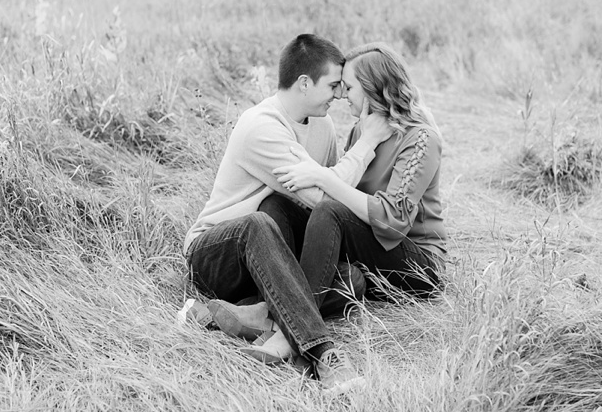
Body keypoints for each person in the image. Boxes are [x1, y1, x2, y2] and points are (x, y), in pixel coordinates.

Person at [179, 34, 392, 393]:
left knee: (351, 280)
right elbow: (325, 191)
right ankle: (322, 352)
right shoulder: (260, 125)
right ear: (304, 83)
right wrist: (368, 142)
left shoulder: (322, 128)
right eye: (334, 85)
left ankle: (231, 313)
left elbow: (326, 205)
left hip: (270, 260)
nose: (340, 96)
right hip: (218, 254)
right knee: (262, 217)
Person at [273, 42, 447, 310]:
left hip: (416, 265)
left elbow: (395, 220)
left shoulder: (421, 138)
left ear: (373, 88)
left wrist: (323, 178)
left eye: (349, 87)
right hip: (369, 250)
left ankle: (290, 322)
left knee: (330, 211)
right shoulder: (361, 133)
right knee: (277, 206)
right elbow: (347, 194)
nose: (342, 95)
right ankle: (267, 298)